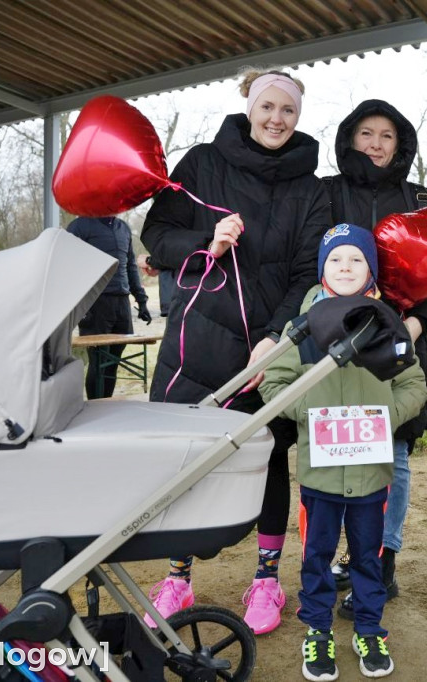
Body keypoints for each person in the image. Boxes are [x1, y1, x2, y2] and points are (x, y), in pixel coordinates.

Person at [139, 68, 331, 634]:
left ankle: (267, 579)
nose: (276, 119)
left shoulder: (310, 188)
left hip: (269, 351)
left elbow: (306, 273)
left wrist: (277, 337)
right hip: (196, 342)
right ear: (250, 104)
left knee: (269, 462)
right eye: (268, 106)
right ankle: (177, 576)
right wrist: (207, 240)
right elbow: (157, 235)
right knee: (188, 464)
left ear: (298, 117)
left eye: (288, 111)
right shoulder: (202, 162)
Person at [259, 224, 427, 681]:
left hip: (372, 475)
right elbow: (273, 384)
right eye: (335, 259)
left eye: (356, 259)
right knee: (316, 556)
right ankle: (317, 629)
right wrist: (309, 411)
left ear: (371, 268)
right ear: (322, 269)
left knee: (367, 557)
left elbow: (413, 384)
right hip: (319, 477)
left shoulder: (386, 323)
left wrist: (386, 415)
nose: (346, 267)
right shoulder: (302, 329)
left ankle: (370, 628)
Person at [324, 99, 427, 616]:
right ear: (349, 139)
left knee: (395, 456)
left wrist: (417, 322)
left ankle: (381, 561)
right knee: (343, 454)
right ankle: (345, 554)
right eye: (366, 133)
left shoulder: (419, 198)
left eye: (387, 135)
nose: (376, 144)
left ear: (400, 143)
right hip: (337, 344)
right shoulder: (327, 192)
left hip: (400, 344)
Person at [66, 215, 151, 399]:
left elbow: (130, 266)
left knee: (113, 359)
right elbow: (67, 264)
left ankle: (106, 406)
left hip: (122, 302)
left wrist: (141, 301)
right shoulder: (80, 226)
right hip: (95, 303)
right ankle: (95, 410)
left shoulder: (123, 228)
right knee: (98, 359)